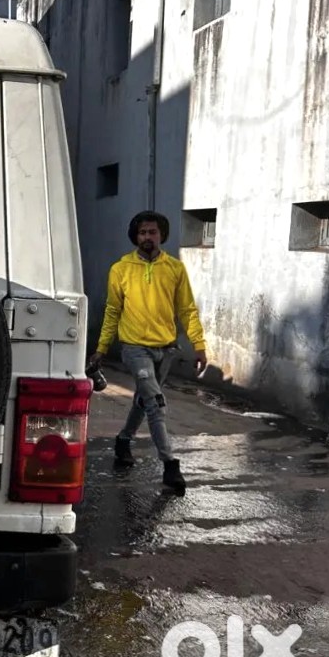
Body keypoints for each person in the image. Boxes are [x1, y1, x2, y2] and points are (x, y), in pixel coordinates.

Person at [87, 210, 208, 494]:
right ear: (135, 237)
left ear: (161, 235)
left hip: (166, 350)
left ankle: (123, 440)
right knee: (155, 403)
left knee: (143, 400)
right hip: (134, 348)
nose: (147, 238)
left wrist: (199, 346)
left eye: (152, 232)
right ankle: (170, 464)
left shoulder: (175, 269)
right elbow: (113, 311)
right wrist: (102, 348)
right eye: (142, 233)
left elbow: (187, 310)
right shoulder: (121, 269)